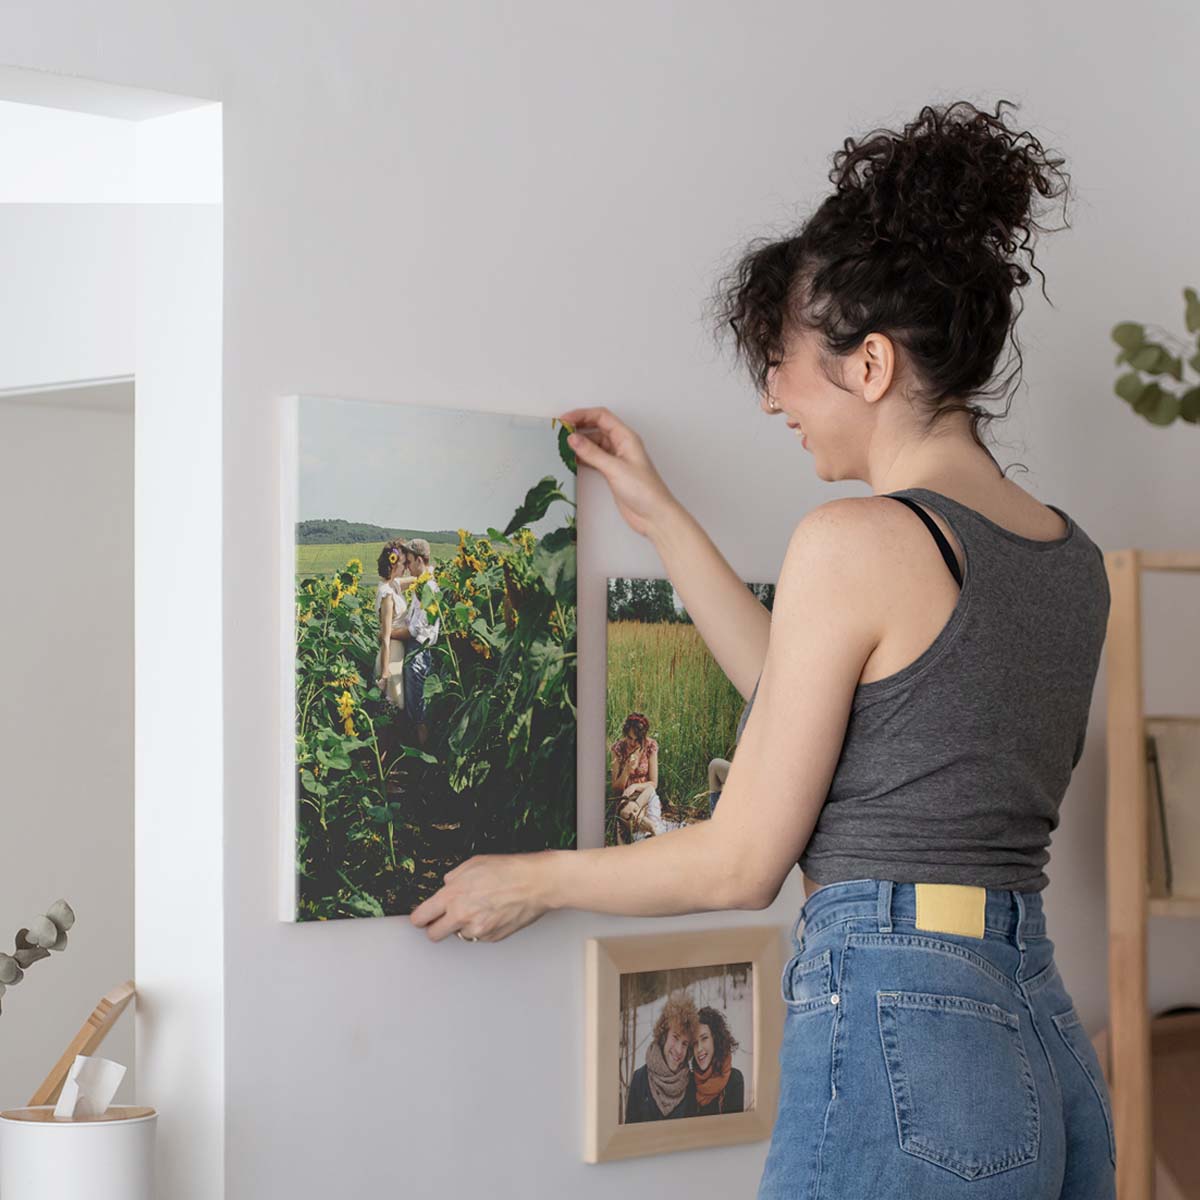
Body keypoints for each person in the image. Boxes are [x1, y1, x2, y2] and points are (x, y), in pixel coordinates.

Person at [411, 99, 1115, 1199]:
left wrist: (533, 880)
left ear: (870, 365)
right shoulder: (1068, 557)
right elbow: (813, 700)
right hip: (1030, 1031)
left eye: (784, 360)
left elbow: (742, 862)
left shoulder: (859, 543)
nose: (772, 394)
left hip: (902, 1024)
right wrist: (659, 516)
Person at [624, 990, 699, 1123]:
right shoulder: (639, 1079)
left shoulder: (691, 1084)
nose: (678, 1050)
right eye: (675, 1037)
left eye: (684, 1043)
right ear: (664, 1035)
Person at [397, 538, 440, 748]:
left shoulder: (428, 588)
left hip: (421, 651)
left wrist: (389, 635)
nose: (407, 565)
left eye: (410, 561)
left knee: (420, 711)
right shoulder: (420, 584)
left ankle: (424, 758)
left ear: (421, 560)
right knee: (415, 708)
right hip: (416, 649)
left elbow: (415, 630)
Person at [691, 1006, 745, 1116]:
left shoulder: (734, 1080)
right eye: (695, 1043)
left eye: (704, 1038)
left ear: (715, 1039)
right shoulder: (689, 1082)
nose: (699, 1048)